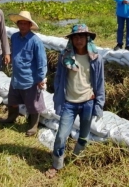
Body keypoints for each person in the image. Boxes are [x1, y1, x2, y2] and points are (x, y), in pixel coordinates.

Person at [45, 24, 105, 178]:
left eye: (82, 37)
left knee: (84, 137)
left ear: (87, 38)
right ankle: (56, 165)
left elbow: (99, 83)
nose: (79, 40)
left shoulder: (96, 59)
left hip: (88, 103)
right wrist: (58, 95)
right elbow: (58, 78)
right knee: (61, 135)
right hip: (69, 103)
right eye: (75, 37)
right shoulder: (65, 57)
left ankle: (76, 156)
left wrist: (98, 103)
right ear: (71, 40)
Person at [0, 11, 47, 137]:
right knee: (12, 100)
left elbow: (42, 61)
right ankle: (11, 117)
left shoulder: (35, 41)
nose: (22, 25)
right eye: (20, 23)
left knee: (33, 104)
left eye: (25, 23)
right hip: (16, 76)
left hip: (30, 78)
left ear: (30, 25)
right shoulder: (15, 37)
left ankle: (33, 125)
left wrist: (40, 78)